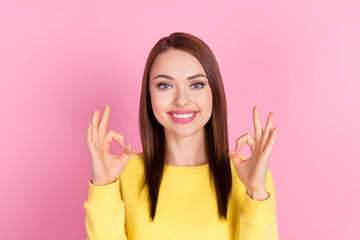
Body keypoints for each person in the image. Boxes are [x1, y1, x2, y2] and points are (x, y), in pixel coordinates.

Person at [83, 32, 279, 239]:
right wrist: (103, 187)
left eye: (196, 85)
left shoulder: (250, 176)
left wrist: (256, 192)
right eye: (165, 85)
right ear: (149, 96)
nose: (181, 100)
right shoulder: (120, 173)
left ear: (214, 92)